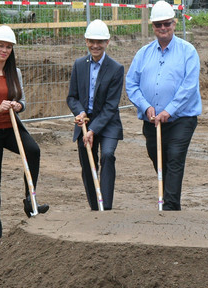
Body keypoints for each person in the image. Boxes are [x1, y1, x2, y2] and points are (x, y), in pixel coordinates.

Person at [0, 25, 49, 245]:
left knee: (33, 151)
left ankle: (29, 201)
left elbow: (22, 102)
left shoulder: (15, 73)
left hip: (11, 129)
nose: (4, 50)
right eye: (1, 46)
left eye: (9, 47)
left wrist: (17, 105)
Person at [126, 0, 201, 211]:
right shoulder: (143, 53)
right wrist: (145, 106)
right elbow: (131, 84)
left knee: (175, 157)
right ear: (153, 27)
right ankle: (171, 198)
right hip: (151, 119)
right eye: (158, 24)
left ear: (174, 24)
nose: (163, 28)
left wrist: (169, 110)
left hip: (181, 118)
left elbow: (189, 87)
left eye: (167, 23)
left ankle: (169, 206)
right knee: (157, 156)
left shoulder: (188, 51)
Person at [66, 20, 124, 211]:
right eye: (91, 41)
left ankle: (105, 207)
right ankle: (94, 207)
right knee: (87, 162)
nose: (95, 45)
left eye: (100, 41)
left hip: (107, 123)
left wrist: (93, 129)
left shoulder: (116, 68)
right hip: (84, 121)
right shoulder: (79, 65)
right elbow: (72, 97)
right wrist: (80, 112)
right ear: (86, 41)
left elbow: (110, 106)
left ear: (107, 42)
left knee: (107, 155)